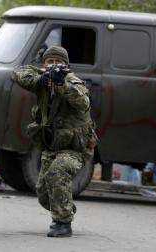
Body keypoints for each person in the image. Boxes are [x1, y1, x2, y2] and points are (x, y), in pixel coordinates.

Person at [12, 46, 97, 237]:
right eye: (50, 62)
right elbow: (18, 72)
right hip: (51, 146)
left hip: (75, 148)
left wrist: (62, 85)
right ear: (44, 65)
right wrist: (41, 79)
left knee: (57, 173)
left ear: (66, 66)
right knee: (43, 194)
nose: (54, 65)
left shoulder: (71, 80)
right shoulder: (42, 80)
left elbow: (83, 101)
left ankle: (62, 223)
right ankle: (64, 207)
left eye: (58, 62)